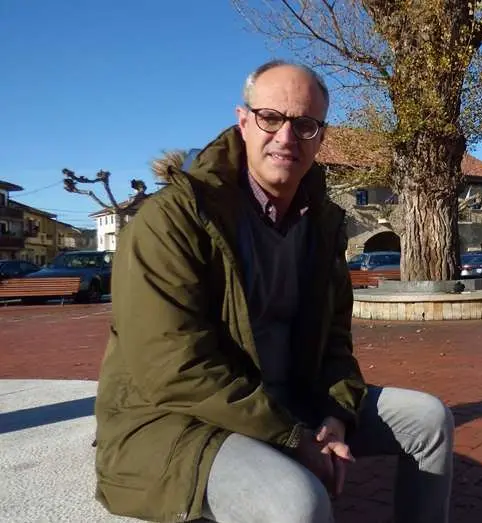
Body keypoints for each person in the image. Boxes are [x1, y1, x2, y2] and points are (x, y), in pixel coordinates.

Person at [93, 60, 454, 523]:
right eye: (271, 118)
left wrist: (336, 414)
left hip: (291, 403)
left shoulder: (321, 225)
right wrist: (293, 438)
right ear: (244, 122)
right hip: (179, 420)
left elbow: (336, 343)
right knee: (296, 503)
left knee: (428, 419)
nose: (286, 137)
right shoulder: (173, 219)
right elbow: (173, 367)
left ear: (320, 137)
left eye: (305, 125)